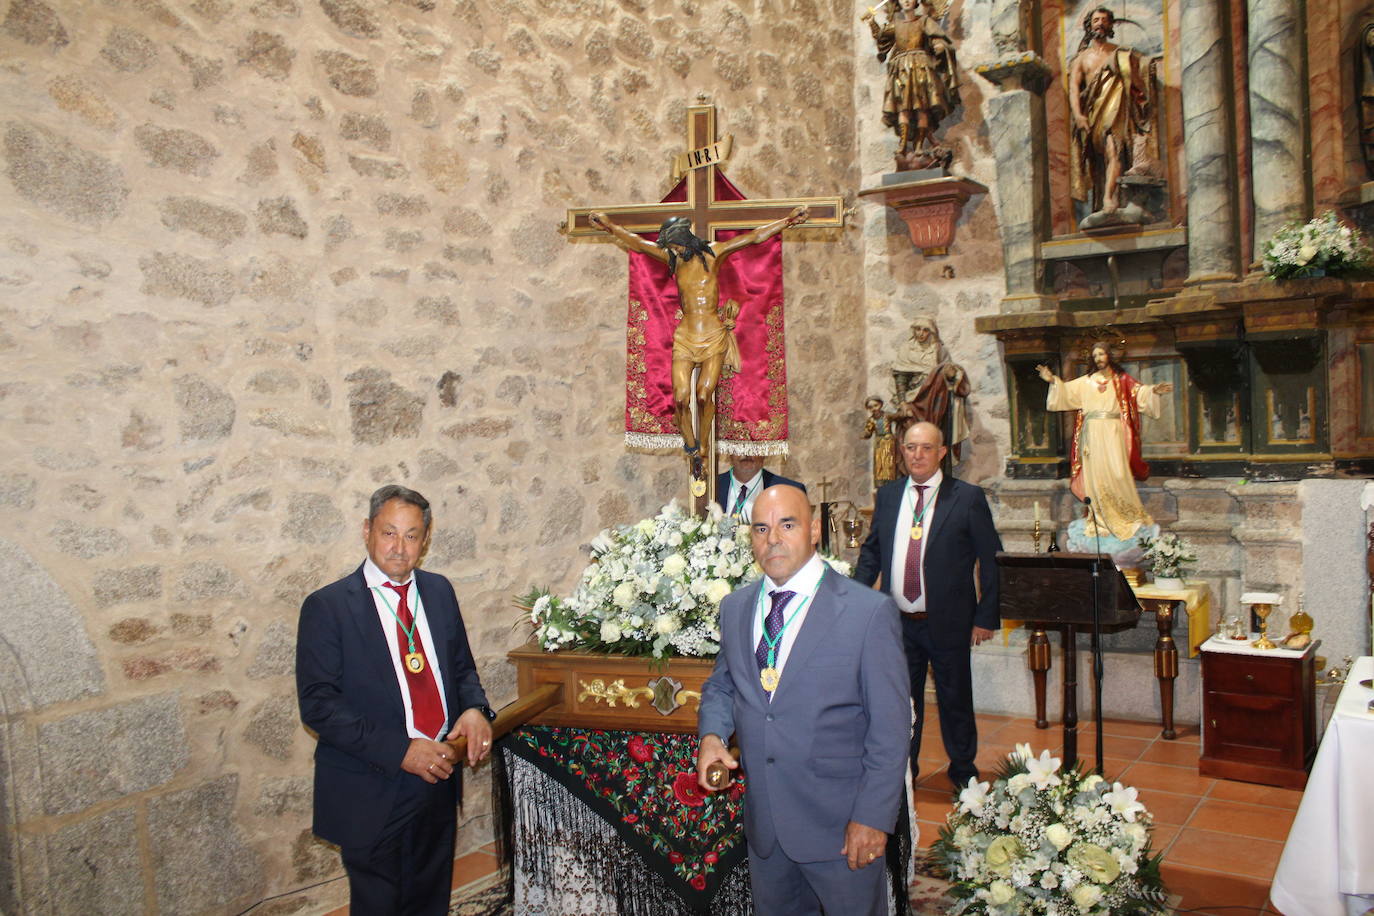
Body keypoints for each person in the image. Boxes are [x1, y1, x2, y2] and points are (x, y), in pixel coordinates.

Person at [696, 485, 909, 915]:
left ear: (813, 530)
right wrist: (713, 736)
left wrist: (872, 817)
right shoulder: (737, 608)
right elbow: (722, 684)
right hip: (768, 826)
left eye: (786, 524)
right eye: (761, 528)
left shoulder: (866, 612)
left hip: (842, 827)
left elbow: (891, 728)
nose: (772, 538)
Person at [297, 485, 495, 915]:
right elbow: (318, 704)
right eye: (389, 533)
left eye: (411, 535)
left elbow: (461, 668)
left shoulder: (439, 591)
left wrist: (475, 708)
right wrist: (401, 750)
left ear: (425, 540)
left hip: (438, 773)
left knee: (429, 897)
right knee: (381, 904)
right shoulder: (328, 606)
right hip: (372, 780)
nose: (399, 547)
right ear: (367, 531)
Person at [589, 207, 810, 473]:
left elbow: (753, 237)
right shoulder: (673, 259)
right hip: (686, 336)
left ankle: (702, 447)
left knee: (704, 394)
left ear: (684, 239)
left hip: (713, 335)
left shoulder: (714, 253)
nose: (674, 250)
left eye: (675, 245)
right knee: (681, 398)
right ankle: (691, 447)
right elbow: (637, 243)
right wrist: (609, 225)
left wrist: (786, 221)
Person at [853, 421, 1001, 793]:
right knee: (902, 703)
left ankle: (964, 772)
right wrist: (853, 602)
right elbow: (872, 555)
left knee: (955, 699)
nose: (917, 455)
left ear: (941, 453)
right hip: (898, 623)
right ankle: (904, 772)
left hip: (949, 620)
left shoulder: (966, 498)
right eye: (910, 447)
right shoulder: (887, 496)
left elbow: (991, 559)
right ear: (902, 451)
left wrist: (986, 616)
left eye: (925, 448)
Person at [1036, 341, 1174, 541]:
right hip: (1092, 433)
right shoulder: (1086, 382)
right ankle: (1100, 519)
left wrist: (1153, 391)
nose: (1099, 358)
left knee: (1119, 473)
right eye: (1095, 355)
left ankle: (1127, 514)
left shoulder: (1122, 380)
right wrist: (1052, 381)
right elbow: (1065, 393)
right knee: (1096, 475)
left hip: (1114, 432)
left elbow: (1139, 393)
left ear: (1109, 355)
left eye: (1102, 354)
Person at [1067, 6, 1151, 220]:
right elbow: (1074, 89)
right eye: (1096, 20)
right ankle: (1102, 197)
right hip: (1093, 113)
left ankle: (1109, 197)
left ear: (1111, 25)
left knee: (1114, 150)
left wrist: (1140, 68)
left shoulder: (1120, 54)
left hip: (1117, 112)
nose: (1100, 23)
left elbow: (1139, 79)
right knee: (1098, 160)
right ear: (1089, 25)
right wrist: (1078, 115)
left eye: (1104, 20)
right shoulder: (1081, 59)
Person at [863, 0, 959, 158]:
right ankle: (903, 143)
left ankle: (920, 144)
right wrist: (872, 22)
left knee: (921, 106)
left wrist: (939, 45)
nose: (906, 1)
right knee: (903, 107)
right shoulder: (896, 24)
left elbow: (937, 38)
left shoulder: (924, 21)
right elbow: (882, 38)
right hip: (901, 70)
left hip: (921, 68)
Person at [890, 317, 969, 460]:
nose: (921, 333)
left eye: (925, 330)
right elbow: (900, 377)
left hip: (934, 400)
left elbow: (949, 374)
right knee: (910, 433)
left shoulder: (939, 350)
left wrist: (951, 374)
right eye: (918, 329)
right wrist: (902, 403)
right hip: (912, 399)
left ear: (931, 333)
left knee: (933, 435)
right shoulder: (906, 349)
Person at [714, 454, 807, 521]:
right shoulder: (710, 487)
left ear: (764, 451)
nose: (746, 453)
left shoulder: (792, 492)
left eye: (753, 446)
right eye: (740, 445)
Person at [862, 396, 900, 488]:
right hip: (879, 443)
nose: (874, 409)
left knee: (890, 462)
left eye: (876, 405)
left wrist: (905, 412)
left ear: (881, 405)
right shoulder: (871, 420)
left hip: (889, 442)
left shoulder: (887, 415)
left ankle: (891, 481)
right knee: (880, 464)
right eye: (870, 407)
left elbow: (898, 416)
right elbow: (868, 432)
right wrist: (865, 434)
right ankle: (881, 483)